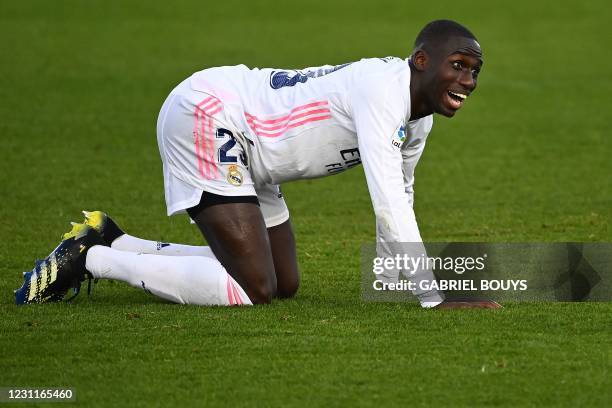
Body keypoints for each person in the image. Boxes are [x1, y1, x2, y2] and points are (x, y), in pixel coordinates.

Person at [15, 19, 500, 309]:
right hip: (209, 114)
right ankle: (90, 260)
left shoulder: (418, 119)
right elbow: (388, 201)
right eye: (458, 65)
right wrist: (432, 298)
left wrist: (393, 275)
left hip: (254, 152)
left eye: (474, 71)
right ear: (420, 60)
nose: (468, 80)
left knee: (282, 282)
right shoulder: (382, 91)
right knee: (254, 289)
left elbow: (402, 190)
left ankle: (116, 240)